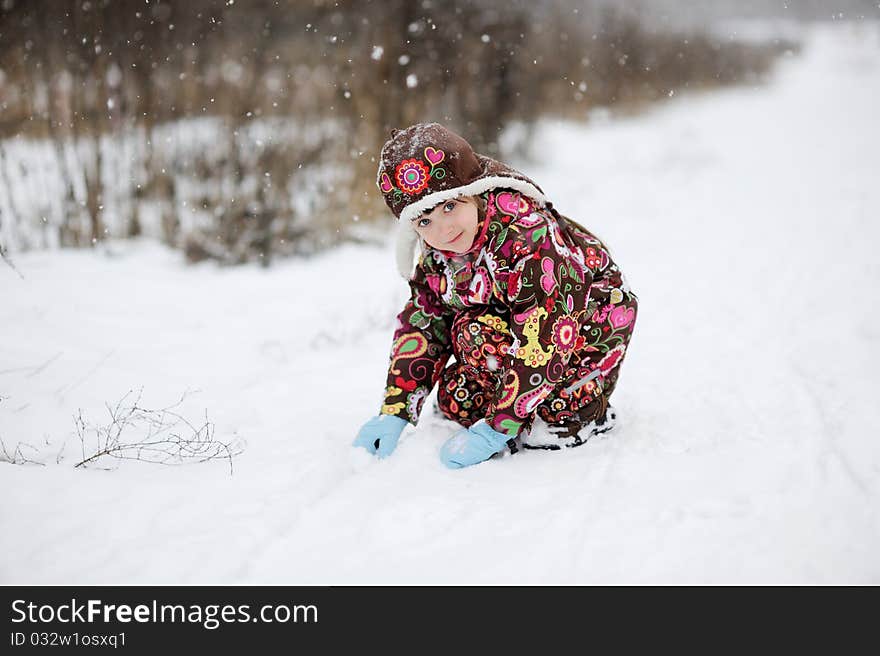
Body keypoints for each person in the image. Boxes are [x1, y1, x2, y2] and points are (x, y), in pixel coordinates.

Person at [353, 122, 638, 468]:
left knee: (546, 411)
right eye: (424, 221)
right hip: (514, 331)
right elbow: (427, 320)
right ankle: (520, 408)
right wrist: (396, 409)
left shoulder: (525, 234)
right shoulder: (440, 252)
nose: (443, 230)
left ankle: (578, 412)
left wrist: (497, 426)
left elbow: (547, 330)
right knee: (455, 401)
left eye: (449, 207)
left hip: (585, 329)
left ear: (473, 190)